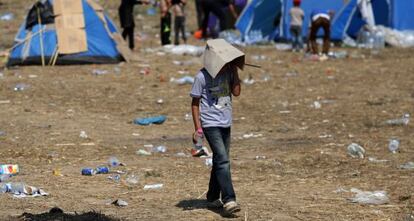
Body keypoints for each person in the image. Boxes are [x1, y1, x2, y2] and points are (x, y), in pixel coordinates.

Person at [190, 40, 242, 216]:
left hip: (225, 123)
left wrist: (234, 70)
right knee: (222, 159)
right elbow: (195, 104)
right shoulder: (201, 77)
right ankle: (229, 199)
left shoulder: (228, 72)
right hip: (210, 124)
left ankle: (212, 197)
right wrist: (198, 128)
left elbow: (236, 92)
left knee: (221, 160)